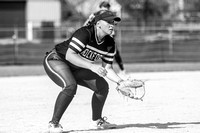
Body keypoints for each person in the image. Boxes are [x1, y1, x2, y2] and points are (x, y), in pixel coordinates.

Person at [43, 10, 124, 132]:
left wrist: (121, 82)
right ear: (98, 24)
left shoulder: (110, 43)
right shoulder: (85, 33)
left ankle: (98, 121)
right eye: (108, 22)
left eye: (113, 22)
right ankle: (53, 124)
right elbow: (70, 56)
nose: (112, 24)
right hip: (57, 59)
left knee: (102, 86)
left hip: (77, 67)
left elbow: (107, 68)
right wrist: (92, 67)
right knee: (70, 86)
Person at [83, 1, 125, 75]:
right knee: (90, 52)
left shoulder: (111, 15)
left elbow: (116, 23)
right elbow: (86, 24)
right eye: (105, 6)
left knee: (114, 53)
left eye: (107, 7)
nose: (106, 8)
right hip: (95, 36)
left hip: (108, 37)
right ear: (100, 7)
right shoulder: (95, 15)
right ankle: (86, 69)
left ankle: (121, 70)